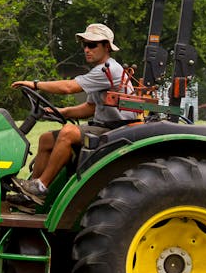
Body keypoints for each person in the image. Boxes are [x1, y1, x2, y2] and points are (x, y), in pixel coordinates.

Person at [9, 23, 129, 206]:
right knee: (46, 139)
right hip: (103, 125)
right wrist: (60, 111)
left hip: (117, 129)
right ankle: (29, 193)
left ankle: (41, 186)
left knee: (68, 132)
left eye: (92, 45)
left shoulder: (109, 69)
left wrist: (35, 84)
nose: (87, 50)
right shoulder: (99, 70)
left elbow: (68, 88)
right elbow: (90, 108)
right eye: (85, 45)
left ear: (106, 47)